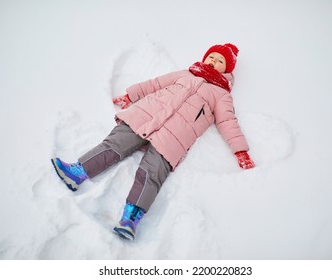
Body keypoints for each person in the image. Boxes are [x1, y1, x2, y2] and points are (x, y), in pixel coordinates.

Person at [51, 43, 255, 241]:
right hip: (145, 116)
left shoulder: (221, 95)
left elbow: (228, 121)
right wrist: (131, 95)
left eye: (219, 61)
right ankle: (77, 172)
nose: (213, 62)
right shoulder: (185, 74)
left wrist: (240, 150)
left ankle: (130, 219)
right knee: (114, 144)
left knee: (152, 172)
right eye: (211, 57)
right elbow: (155, 84)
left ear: (227, 69)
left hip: (174, 137)